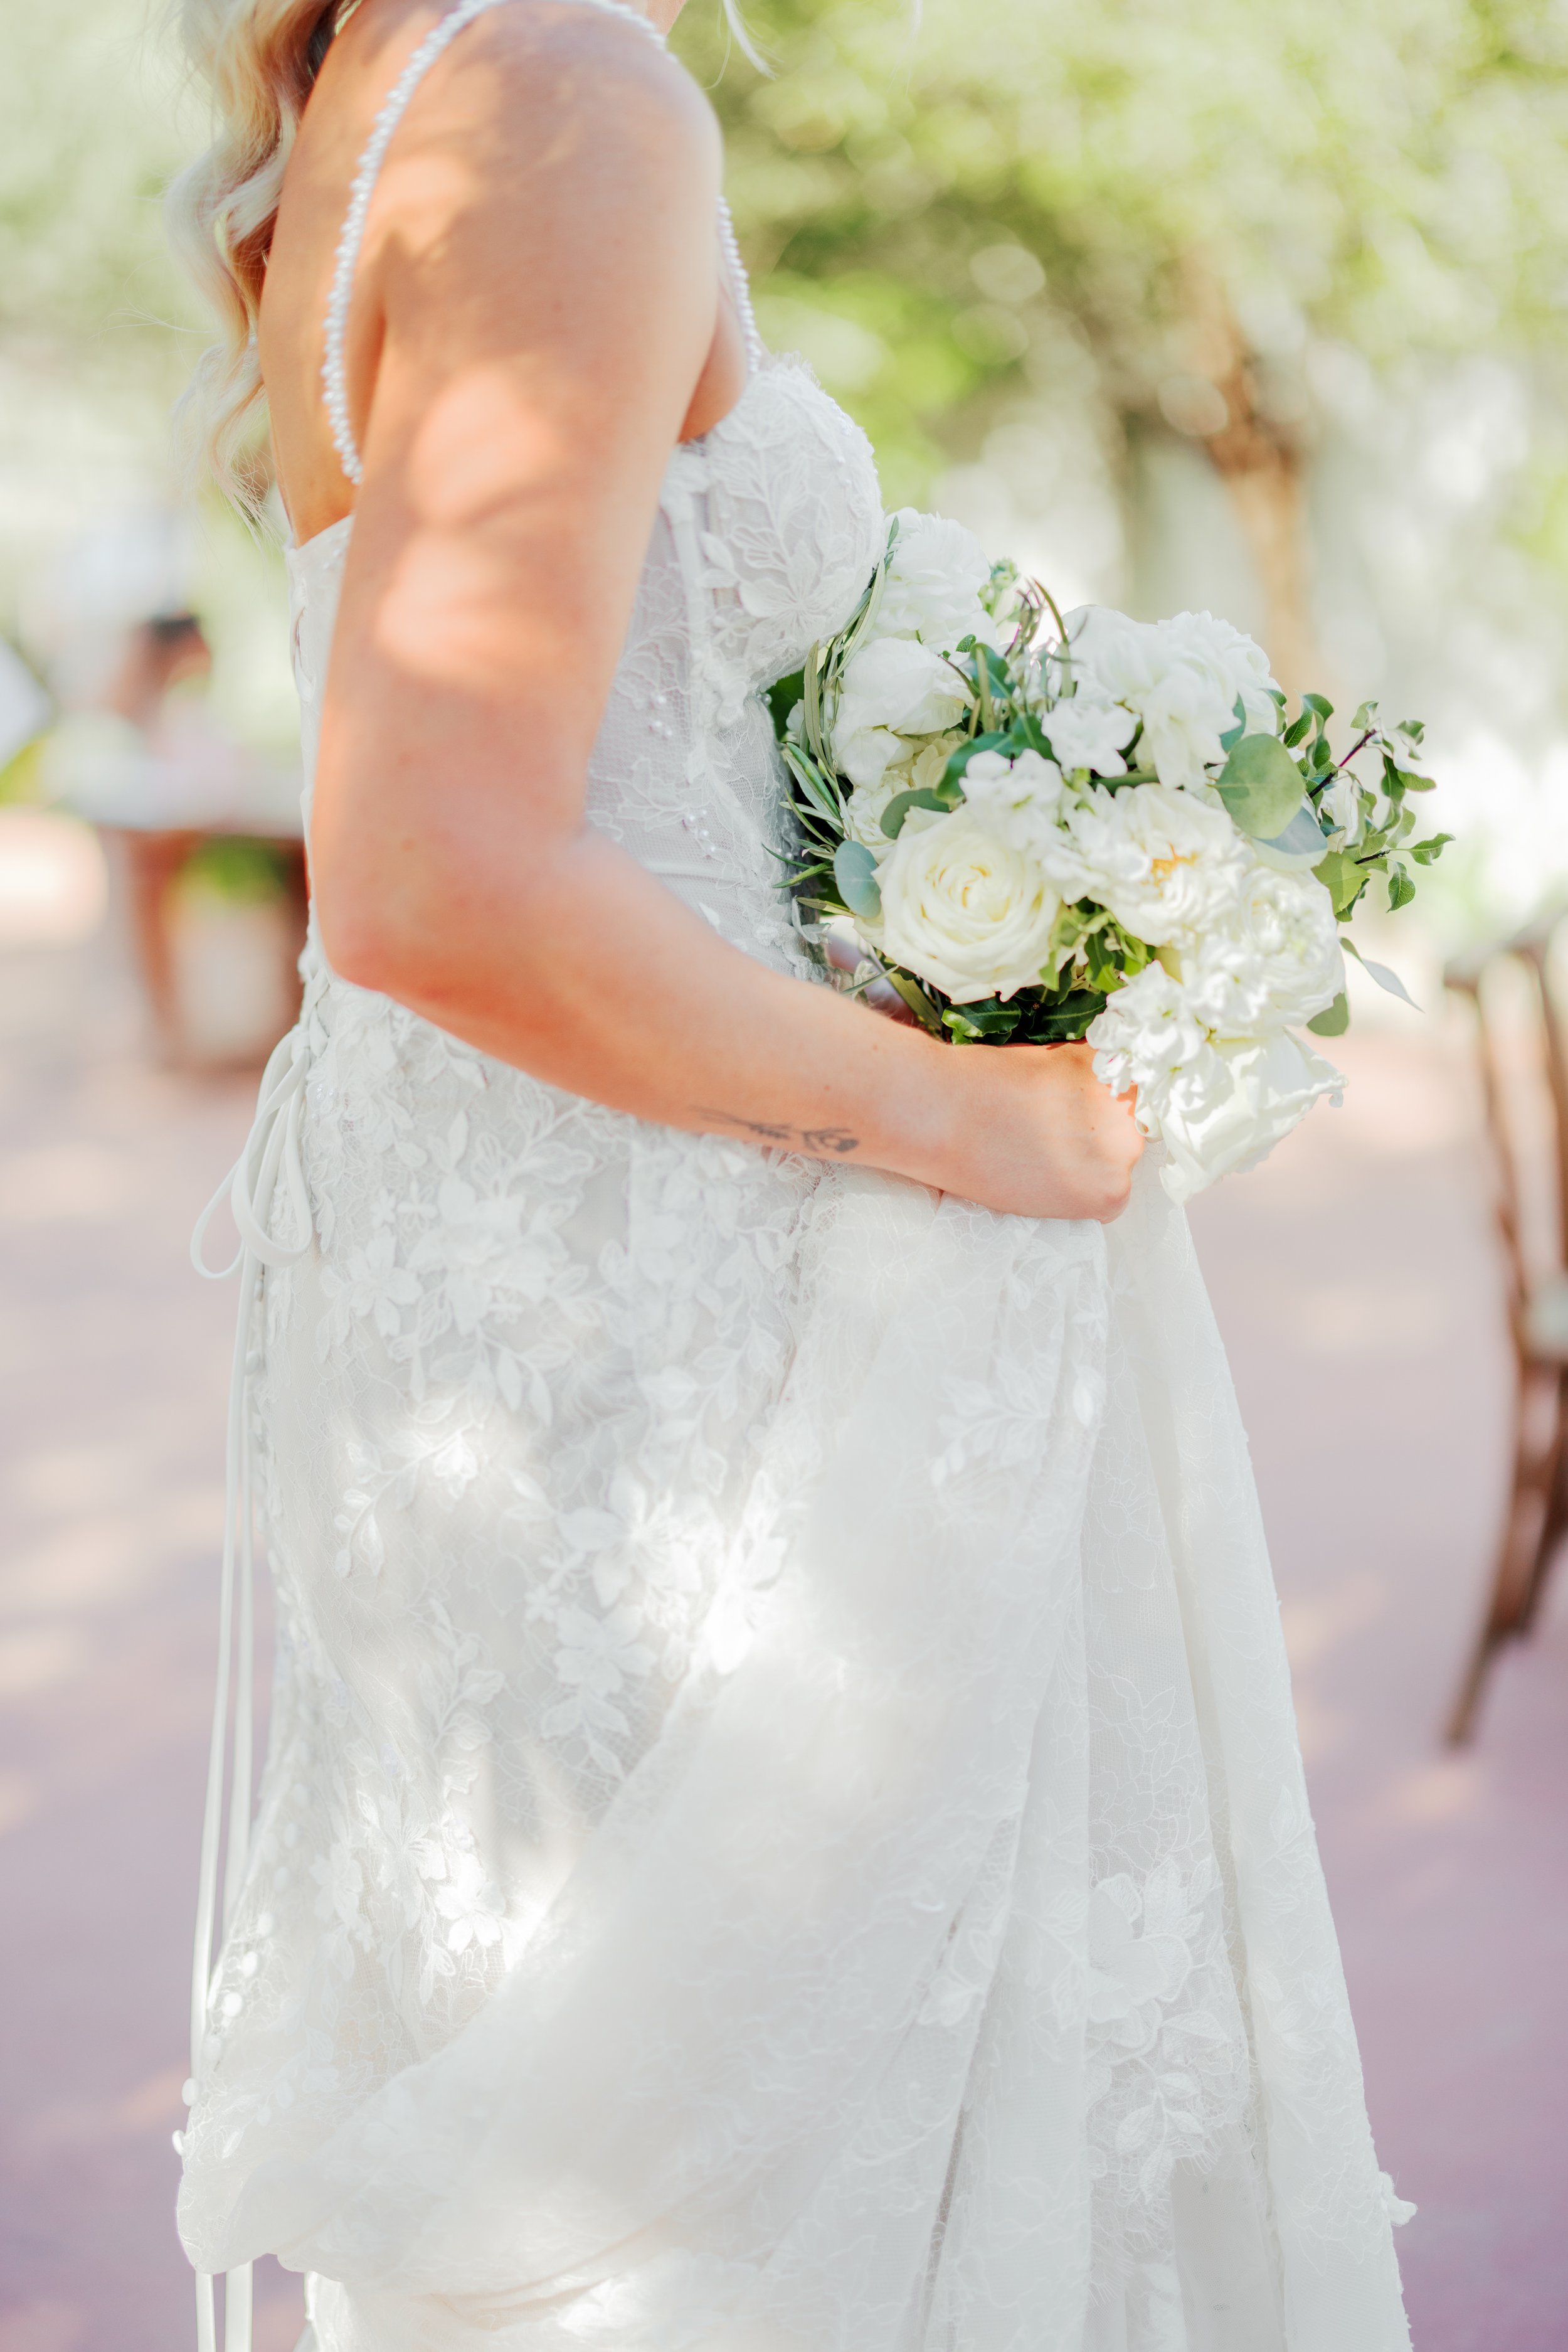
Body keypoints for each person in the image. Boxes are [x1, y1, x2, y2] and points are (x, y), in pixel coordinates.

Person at [171, 4, 1413, 2347]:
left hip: (523, 1270)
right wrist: (974, 1116)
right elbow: (434, 879)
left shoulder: (424, 71)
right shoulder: (551, 87)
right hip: (662, 1323)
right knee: (757, 2171)